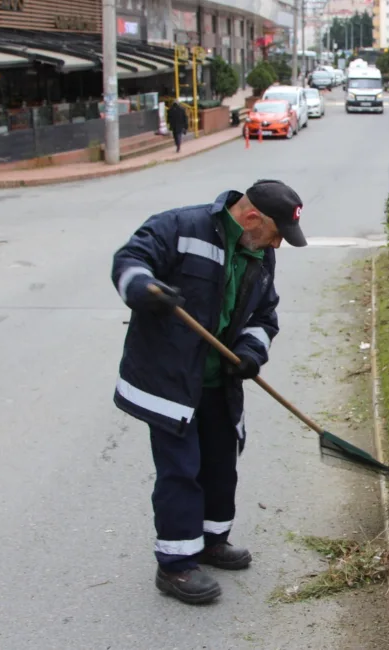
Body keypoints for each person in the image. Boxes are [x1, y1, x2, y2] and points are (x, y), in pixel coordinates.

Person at [110, 180, 308, 604]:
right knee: (182, 470)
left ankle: (212, 541)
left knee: (221, 463)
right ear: (252, 218)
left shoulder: (260, 252)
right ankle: (176, 566)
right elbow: (129, 262)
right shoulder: (179, 227)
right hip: (171, 381)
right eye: (277, 233)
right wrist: (145, 289)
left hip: (221, 381)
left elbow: (265, 314)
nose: (278, 244)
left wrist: (251, 350)